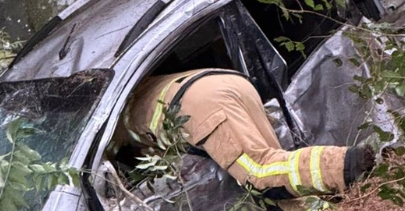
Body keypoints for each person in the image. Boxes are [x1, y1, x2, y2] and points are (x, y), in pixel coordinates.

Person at [119, 69, 375, 199]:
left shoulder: (113, 128)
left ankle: (346, 165)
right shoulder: (128, 89)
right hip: (229, 83)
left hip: (199, 107)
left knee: (259, 172)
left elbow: (147, 162)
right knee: (278, 170)